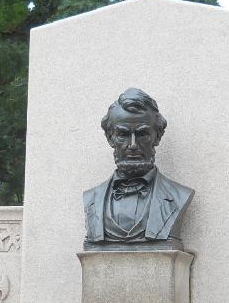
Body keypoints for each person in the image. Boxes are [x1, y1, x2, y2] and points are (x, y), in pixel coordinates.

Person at [83, 88, 194, 249]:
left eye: (142, 134)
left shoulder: (179, 196)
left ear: (157, 136)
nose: (133, 145)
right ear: (110, 137)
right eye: (123, 134)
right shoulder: (91, 199)